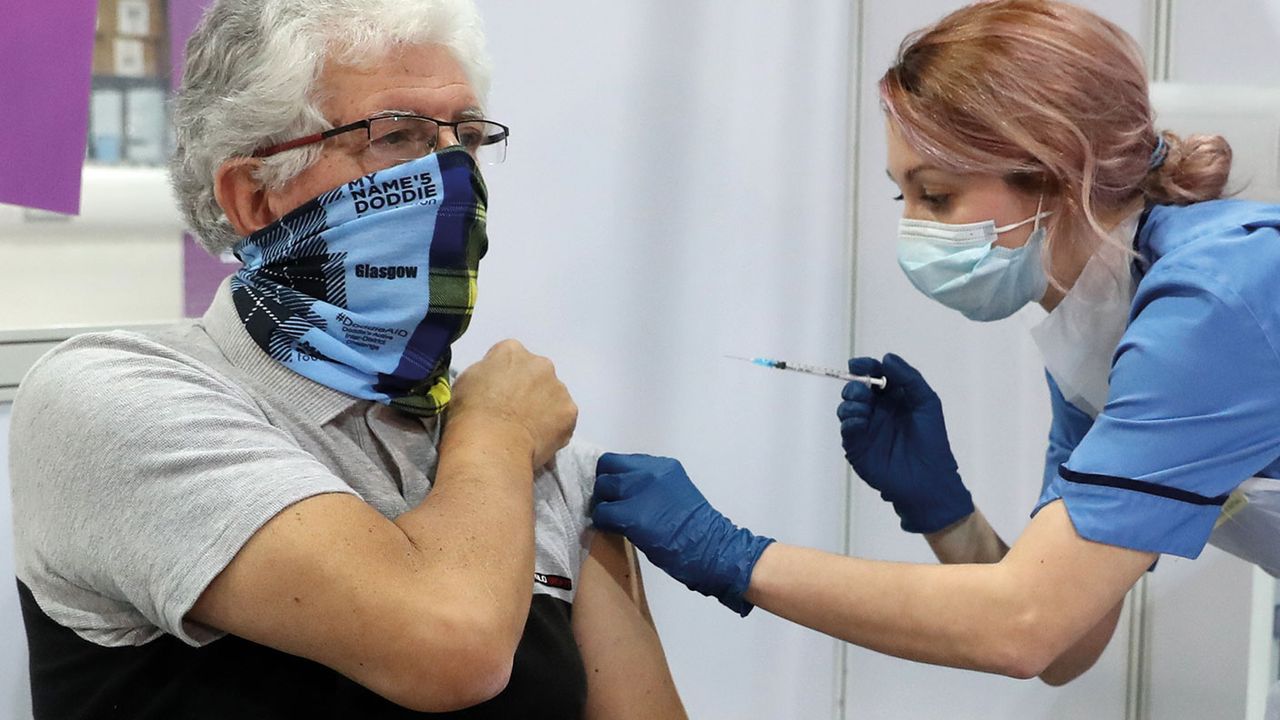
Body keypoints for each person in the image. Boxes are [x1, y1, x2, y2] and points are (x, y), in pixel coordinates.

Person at [8, 1, 686, 718]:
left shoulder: (541, 453)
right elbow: (449, 646)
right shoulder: (115, 399)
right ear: (255, 197)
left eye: (469, 138)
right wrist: (495, 435)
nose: (454, 177)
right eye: (397, 137)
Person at [592, 0, 1280, 691]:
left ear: (1053, 171)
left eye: (938, 196)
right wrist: (944, 511)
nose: (913, 233)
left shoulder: (1212, 302)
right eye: (904, 200)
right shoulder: (1099, 335)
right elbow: (1071, 642)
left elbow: (1028, 627)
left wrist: (731, 554)